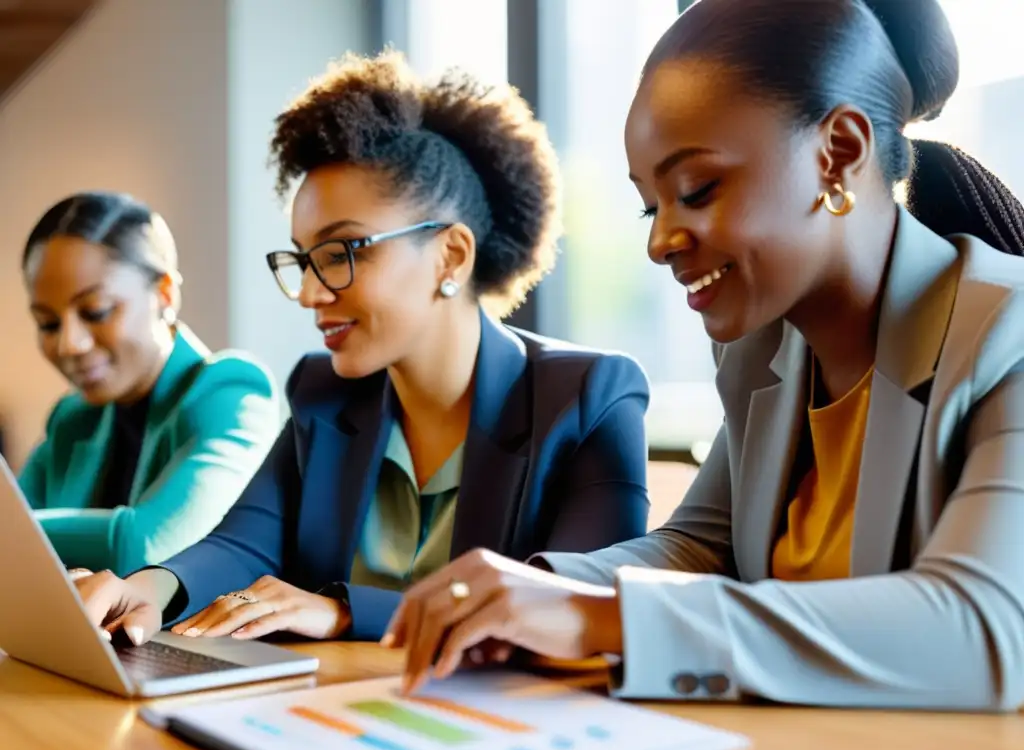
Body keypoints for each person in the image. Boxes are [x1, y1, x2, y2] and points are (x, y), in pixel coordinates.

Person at [384, 0, 1024, 711]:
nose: (659, 242)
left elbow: (984, 628)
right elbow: (700, 547)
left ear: (838, 153)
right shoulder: (763, 352)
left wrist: (599, 619)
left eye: (696, 190)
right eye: (649, 207)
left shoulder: (1009, 332)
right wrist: (533, 590)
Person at [72, 51, 650, 647]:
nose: (310, 294)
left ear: (451, 255)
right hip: (332, 713)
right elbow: (244, 541)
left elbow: (579, 610)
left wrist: (346, 611)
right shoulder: (323, 394)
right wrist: (149, 587)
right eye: (303, 260)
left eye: (343, 252)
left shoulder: (589, 399)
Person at [19, 191, 280, 576]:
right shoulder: (72, 419)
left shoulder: (232, 391)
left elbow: (146, 546)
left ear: (164, 294)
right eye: (48, 323)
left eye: (96, 311)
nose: (68, 344)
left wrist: (22, 535)